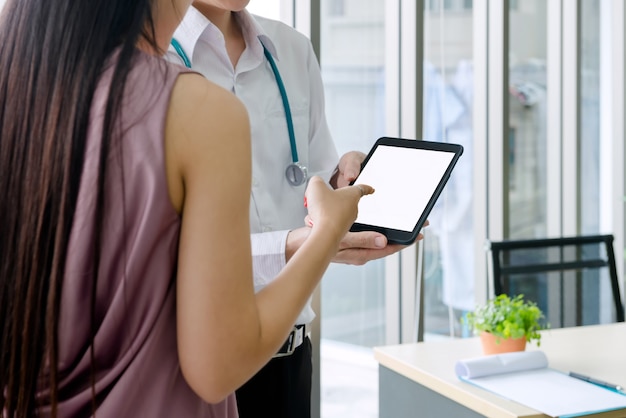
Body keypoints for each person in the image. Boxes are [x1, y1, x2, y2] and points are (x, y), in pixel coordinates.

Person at [0, 0, 373, 416]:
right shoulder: (196, 107)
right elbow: (217, 365)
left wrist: (337, 194)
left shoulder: (23, 83)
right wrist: (324, 234)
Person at [166, 2, 409, 417]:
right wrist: (306, 243)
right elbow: (172, 248)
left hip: (292, 357)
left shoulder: (291, 50)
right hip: (200, 364)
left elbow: (311, 176)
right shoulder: (153, 63)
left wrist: (341, 181)